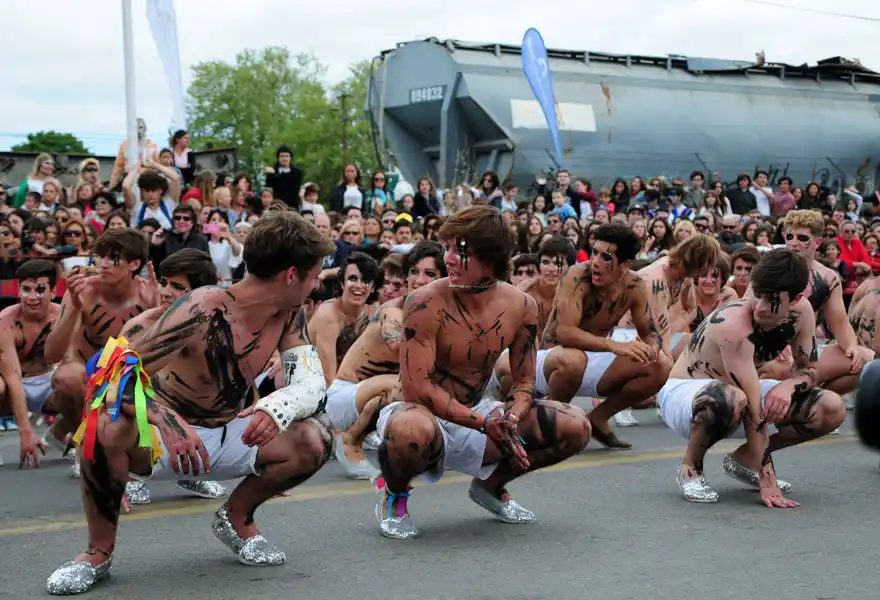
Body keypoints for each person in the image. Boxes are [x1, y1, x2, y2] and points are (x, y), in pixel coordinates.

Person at [46, 210, 337, 595]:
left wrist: (276, 406)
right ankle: (97, 552)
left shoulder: (289, 311)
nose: (316, 283)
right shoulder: (202, 308)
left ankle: (236, 519)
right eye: (314, 274)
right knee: (103, 426)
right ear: (290, 275)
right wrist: (163, 416)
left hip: (231, 431)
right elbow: (112, 375)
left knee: (315, 437)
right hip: (165, 441)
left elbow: (311, 383)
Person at [373, 205, 591, 540]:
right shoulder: (423, 302)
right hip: (421, 414)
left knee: (575, 425)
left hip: (479, 414)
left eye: (459, 251)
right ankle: (396, 492)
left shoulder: (522, 306)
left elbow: (523, 382)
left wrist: (511, 418)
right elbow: (418, 388)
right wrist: (487, 425)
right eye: (446, 247)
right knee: (410, 428)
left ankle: (491, 487)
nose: (447, 259)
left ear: (490, 257)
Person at [658, 248, 845, 506]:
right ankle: (691, 466)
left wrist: (789, 386)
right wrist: (768, 482)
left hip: (742, 390)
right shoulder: (734, 324)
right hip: (687, 394)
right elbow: (754, 409)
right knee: (732, 397)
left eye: (772, 299)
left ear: (796, 297)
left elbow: (811, 370)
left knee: (830, 408)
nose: (761, 307)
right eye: (759, 295)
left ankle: (744, 460)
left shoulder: (802, 314)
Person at [534, 223, 672, 449]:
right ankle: (550, 424)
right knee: (573, 360)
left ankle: (598, 418)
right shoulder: (577, 275)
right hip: (554, 360)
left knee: (661, 365)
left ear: (625, 265)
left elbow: (650, 333)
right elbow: (565, 333)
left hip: (592, 362)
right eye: (594, 252)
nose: (595, 262)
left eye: (606, 257)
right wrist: (613, 345)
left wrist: (652, 349)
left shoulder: (635, 286)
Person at [43, 228, 160, 475]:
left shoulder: (148, 294)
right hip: (86, 377)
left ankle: (66, 429)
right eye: (100, 257)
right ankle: (84, 444)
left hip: (126, 379)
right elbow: (52, 355)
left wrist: (157, 308)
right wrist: (74, 308)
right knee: (67, 379)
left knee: (145, 465)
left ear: (134, 263)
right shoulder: (84, 290)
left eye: (113, 258)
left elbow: (161, 355)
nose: (103, 264)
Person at [116, 249, 229, 505]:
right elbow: (108, 390)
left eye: (177, 286)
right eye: (164, 283)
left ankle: (190, 469)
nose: (165, 291)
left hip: (201, 424)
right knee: (123, 401)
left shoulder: (220, 328)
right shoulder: (141, 327)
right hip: (150, 427)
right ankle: (129, 476)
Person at [328, 241, 446, 479]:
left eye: (429, 274)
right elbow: (397, 343)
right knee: (411, 383)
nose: (419, 280)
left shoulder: (439, 312)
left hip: (386, 391)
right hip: (345, 398)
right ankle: (350, 440)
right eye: (414, 272)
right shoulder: (394, 310)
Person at [755, 210, 874, 393]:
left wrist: (850, 345)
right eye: (789, 236)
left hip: (806, 351)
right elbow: (748, 309)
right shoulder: (770, 268)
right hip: (769, 350)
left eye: (802, 238)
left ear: (817, 242)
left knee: (865, 360)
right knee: (777, 369)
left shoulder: (827, 278)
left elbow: (839, 322)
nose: (794, 242)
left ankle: (810, 396)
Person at [307, 251, 381, 465]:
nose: (359, 286)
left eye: (365, 280)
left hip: (350, 383)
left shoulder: (373, 311)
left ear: (373, 287)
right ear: (341, 283)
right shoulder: (327, 316)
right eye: (352, 279)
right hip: (314, 384)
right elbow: (329, 378)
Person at [487, 237, 577, 400]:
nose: (551, 269)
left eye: (558, 264)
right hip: (518, 353)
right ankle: (502, 410)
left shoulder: (575, 295)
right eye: (545, 262)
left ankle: (552, 411)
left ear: (569, 267)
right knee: (510, 367)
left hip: (552, 357)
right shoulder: (523, 292)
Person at [0, 260, 60, 468]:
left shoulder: (62, 317)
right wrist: (26, 432)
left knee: (76, 378)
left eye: (40, 289)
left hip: (48, 384)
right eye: (26, 289)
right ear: (18, 291)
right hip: (12, 386)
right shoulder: (5, 322)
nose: (32, 297)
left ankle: (63, 434)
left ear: (53, 292)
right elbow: (12, 377)